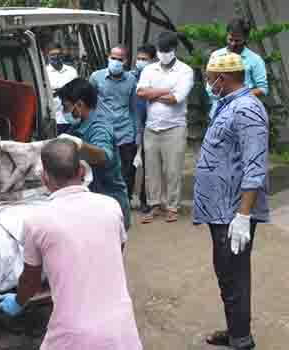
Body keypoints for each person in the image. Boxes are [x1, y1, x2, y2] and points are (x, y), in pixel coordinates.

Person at [0, 139, 142, 350]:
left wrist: (18, 301)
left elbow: (31, 280)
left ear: (44, 177)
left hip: (73, 334)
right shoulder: (111, 207)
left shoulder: (37, 220)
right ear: (82, 171)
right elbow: (115, 254)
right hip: (122, 330)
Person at [194, 53, 268, 350]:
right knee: (227, 274)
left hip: (233, 212)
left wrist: (243, 216)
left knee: (233, 276)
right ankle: (237, 330)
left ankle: (241, 340)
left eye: (210, 78)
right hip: (221, 209)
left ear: (222, 79)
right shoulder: (229, 104)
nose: (208, 83)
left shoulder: (248, 109)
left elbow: (255, 165)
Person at [137, 31, 194, 224]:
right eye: (160, 50)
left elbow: (176, 98)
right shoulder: (149, 70)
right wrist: (165, 90)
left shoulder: (185, 71)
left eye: (166, 50)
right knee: (151, 170)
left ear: (174, 50)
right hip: (151, 127)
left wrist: (153, 93)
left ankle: (172, 207)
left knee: (173, 170)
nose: (163, 54)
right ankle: (154, 205)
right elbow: (141, 92)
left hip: (175, 127)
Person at [58, 78, 131, 230]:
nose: (65, 112)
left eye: (66, 107)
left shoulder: (99, 127)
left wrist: (78, 145)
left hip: (109, 202)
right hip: (94, 203)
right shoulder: (78, 126)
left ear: (79, 104)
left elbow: (103, 156)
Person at [89, 46, 138, 205]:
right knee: (102, 166)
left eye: (120, 59)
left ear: (125, 61)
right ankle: (102, 199)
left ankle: (125, 200)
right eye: (113, 58)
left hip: (125, 131)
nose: (116, 62)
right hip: (103, 131)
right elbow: (90, 104)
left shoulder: (131, 80)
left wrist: (137, 133)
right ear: (108, 58)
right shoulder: (96, 77)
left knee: (126, 170)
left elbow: (134, 107)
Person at [207, 18, 268, 118]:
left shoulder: (255, 59)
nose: (233, 44)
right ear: (227, 34)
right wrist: (217, 92)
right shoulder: (216, 56)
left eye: (238, 40)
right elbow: (210, 86)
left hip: (244, 113)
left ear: (246, 38)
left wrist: (238, 96)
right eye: (230, 39)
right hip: (218, 114)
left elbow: (263, 89)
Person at [133, 44, 158, 212]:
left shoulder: (156, 78)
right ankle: (129, 196)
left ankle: (146, 198)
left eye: (145, 59)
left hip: (151, 124)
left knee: (150, 164)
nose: (140, 62)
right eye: (139, 58)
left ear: (152, 60)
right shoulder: (130, 77)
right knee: (130, 164)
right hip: (133, 125)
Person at [46, 43, 79, 134]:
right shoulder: (44, 73)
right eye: (52, 55)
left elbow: (78, 89)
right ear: (47, 56)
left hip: (72, 118)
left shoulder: (71, 71)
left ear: (62, 55)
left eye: (58, 54)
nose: (55, 57)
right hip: (54, 119)